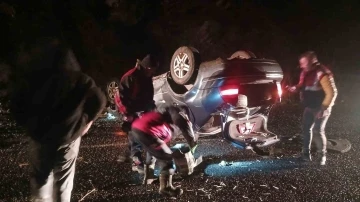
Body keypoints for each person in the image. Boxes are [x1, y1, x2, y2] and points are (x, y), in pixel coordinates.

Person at [9, 37, 106, 201]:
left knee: (41, 179)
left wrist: (28, 126)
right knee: (63, 180)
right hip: (69, 136)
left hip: (41, 137)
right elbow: (100, 100)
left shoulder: (34, 78)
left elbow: (16, 105)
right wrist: (86, 123)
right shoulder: (81, 80)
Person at [131, 106, 198, 197]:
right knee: (168, 160)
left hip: (136, 128)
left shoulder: (163, 115)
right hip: (147, 132)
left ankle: (148, 178)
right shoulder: (179, 116)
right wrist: (192, 149)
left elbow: (153, 149)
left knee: (154, 151)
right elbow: (187, 130)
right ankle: (166, 188)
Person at [287, 51, 337, 165]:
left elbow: (332, 92)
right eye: (301, 63)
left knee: (318, 131)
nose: (301, 66)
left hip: (320, 108)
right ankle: (305, 156)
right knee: (306, 130)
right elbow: (302, 85)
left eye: (303, 63)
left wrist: (324, 108)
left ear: (312, 62)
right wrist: (295, 88)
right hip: (309, 106)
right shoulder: (305, 72)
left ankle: (321, 158)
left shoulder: (322, 73)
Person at [114, 54, 159, 173]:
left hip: (143, 109)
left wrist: (152, 108)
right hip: (130, 110)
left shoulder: (147, 77)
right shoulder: (130, 77)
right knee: (135, 135)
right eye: (152, 70)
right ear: (147, 68)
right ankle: (136, 161)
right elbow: (119, 97)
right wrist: (127, 113)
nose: (153, 72)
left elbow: (149, 96)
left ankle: (133, 156)